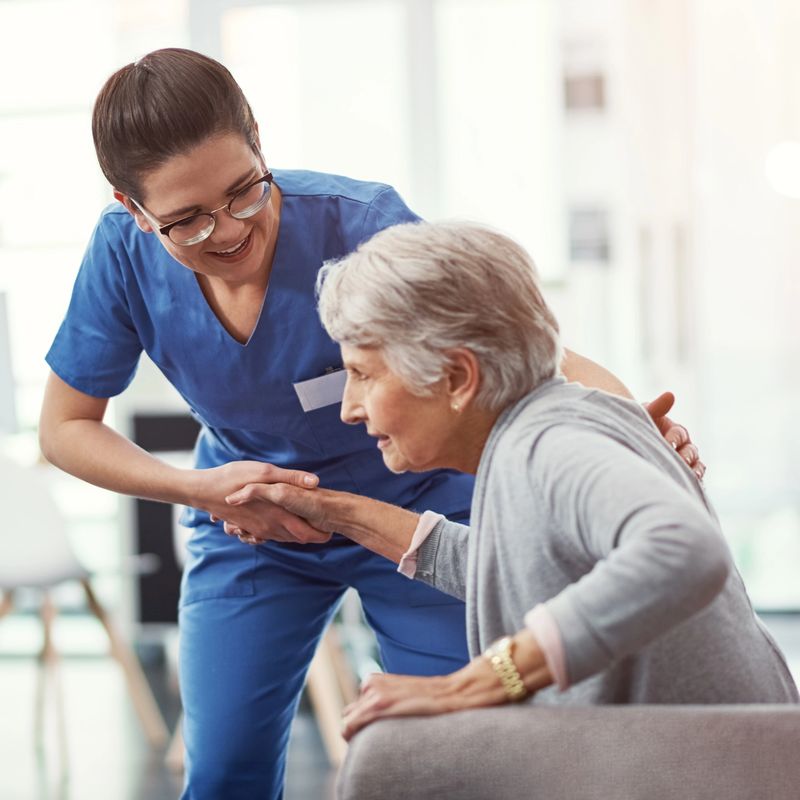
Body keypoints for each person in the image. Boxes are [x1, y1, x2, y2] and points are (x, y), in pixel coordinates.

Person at [39, 48, 703, 799]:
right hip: (256, 527)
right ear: (132, 209)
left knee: (450, 757)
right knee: (223, 771)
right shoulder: (121, 258)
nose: (227, 231)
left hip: (417, 519)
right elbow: (65, 428)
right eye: (186, 221)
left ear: (258, 138)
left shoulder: (362, 224)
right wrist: (201, 491)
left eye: (243, 193)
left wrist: (628, 431)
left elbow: (529, 350)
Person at [225, 220, 798, 741]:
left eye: (363, 375)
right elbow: (511, 567)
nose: (349, 407)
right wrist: (330, 510)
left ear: (456, 377)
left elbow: (683, 547)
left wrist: (470, 685)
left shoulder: (551, 444)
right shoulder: (540, 427)